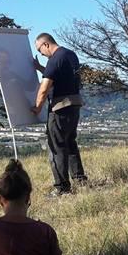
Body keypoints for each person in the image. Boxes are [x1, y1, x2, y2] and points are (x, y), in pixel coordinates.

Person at [32, 33, 87, 196]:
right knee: (70, 143)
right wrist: (39, 68)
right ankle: (80, 180)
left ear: (46, 44)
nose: (41, 54)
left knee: (56, 147)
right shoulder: (70, 55)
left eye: (40, 50)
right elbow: (60, 75)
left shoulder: (54, 59)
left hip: (60, 108)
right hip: (75, 105)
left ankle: (61, 188)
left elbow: (44, 88)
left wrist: (37, 108)